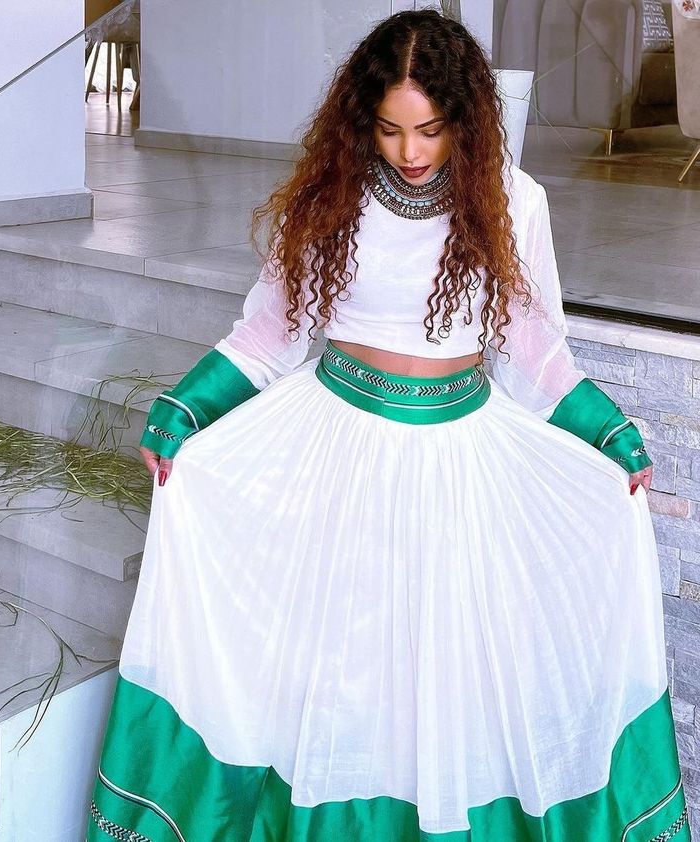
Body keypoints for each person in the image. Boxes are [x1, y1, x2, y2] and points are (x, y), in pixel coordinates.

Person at [86, 10, 688, 841]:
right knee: (341, 679)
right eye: (391, 129)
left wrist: (609, 430)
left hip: (458, 463)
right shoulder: (333, 195)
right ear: (362, 121)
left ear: (464, 120)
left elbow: (533, 350)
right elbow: (274, 329)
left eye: (431, 130)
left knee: (435, 686)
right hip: (333, 448)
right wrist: (188, 404)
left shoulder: (516, 202)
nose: (410, 152)